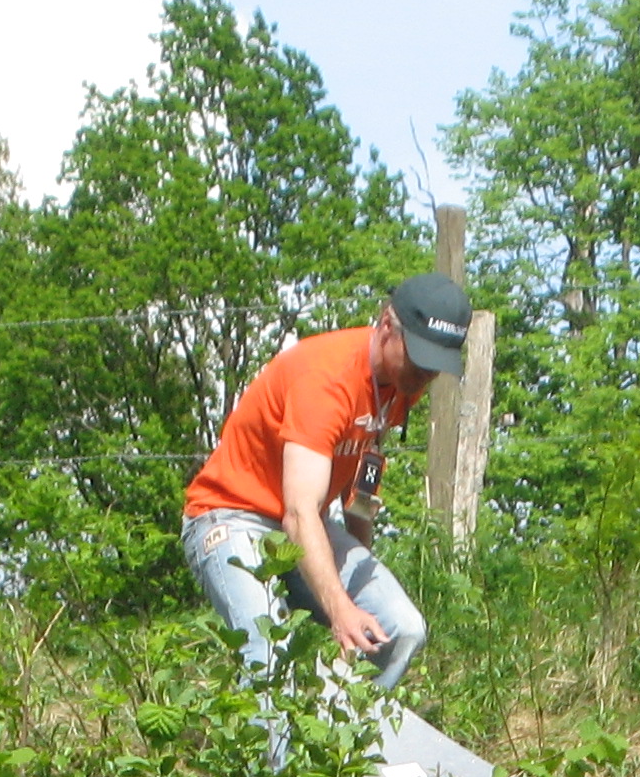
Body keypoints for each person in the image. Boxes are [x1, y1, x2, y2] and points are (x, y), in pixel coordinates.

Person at [180, 273, 472, 689]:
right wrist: (340, 611)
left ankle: (339, 723)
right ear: (386, 325)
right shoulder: (326, 378)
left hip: (303, 522)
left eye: (437, 363)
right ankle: (267, 730)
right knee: (269, 650)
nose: (427, 373)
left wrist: (359, 572)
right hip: (231, 516)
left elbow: (362, 481)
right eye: (420, 357)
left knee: (401, 630)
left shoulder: (403, 383)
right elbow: (299, 513)